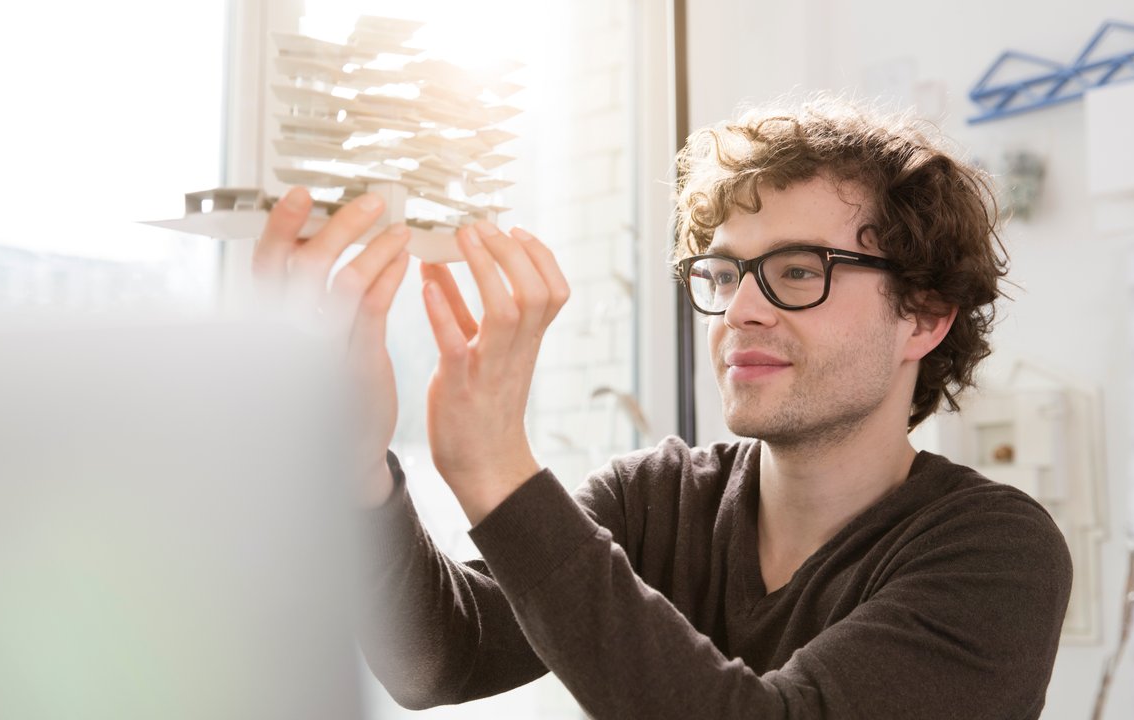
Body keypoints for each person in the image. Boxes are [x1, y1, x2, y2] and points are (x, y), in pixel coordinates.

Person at [253, 96, 1073, 720]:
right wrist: (358, 465)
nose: (744, 311)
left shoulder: (997, 554)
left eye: (796, 271)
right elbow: (436, 659)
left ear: (925, 316)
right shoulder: (657, 499)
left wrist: (496, 467)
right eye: (722, 275)